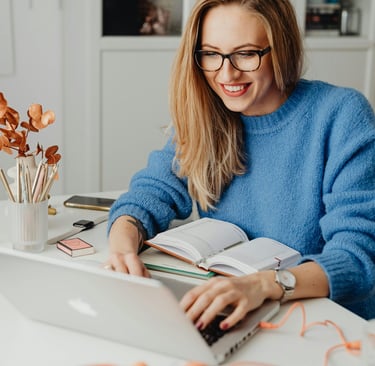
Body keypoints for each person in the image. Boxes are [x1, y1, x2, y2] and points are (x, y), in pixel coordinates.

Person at [107, 0, 375, 331]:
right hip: (234, 313)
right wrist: (123, 246)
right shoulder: (206, 113)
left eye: (246, 53)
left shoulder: (341, 115)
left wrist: (264, 285)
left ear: (281, 48)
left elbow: (357, 259)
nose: (226, 73)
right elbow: (150, 192)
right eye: (210, 54)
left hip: (323, 324)